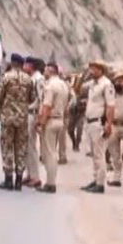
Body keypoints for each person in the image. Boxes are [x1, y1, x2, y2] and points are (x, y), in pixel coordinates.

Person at [0, 52, 33, 191]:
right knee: (21, 148)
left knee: (7, 147)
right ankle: (19, 179)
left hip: (8, 118)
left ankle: (8, 179)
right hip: (22, 118)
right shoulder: (28, 79)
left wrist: (7, 103)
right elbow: (32, 99)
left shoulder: (6, 77)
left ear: (12, 62)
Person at [80, 60, 115, 194]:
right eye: (91, 68)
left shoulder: (106, 84)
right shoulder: (93, 84)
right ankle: (95, 180)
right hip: (90, 122)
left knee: (100, 154)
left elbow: (110, 105)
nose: (91, 71)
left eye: (94, 68)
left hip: (99, 122)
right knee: (94, 154)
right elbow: (79, 89)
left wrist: (109, 124)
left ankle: (100, 184)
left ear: (101, 70)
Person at [36, 61, 70, 193]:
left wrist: (41, 123)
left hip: (50, 121)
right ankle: (51, 181)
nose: (44, 73)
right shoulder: (63, 85)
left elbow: (47, 106)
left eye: (45, 70)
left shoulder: (50, 86)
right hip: (60, 119)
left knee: (49, 154)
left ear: (50, 71)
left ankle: (50, 183)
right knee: (52, 152)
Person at [23, 56, 45, 188]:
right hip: (27, 114)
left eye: (26, 64)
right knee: (26, 146)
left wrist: (39, 119)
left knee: (31, 147)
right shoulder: (31, 78)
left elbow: (42, 99)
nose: (24, 66)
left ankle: (36, 177)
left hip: (33, 114)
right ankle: (29, 174)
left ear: (31, 66)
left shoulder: (38, 79)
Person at [67, 70, 87, 152]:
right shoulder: (70, 89)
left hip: (81, 111)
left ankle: (77, 144)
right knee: (70, 130)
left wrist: (83, 101)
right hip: (72, 111)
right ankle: (74, 142)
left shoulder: (85, 88)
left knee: (79, 129)